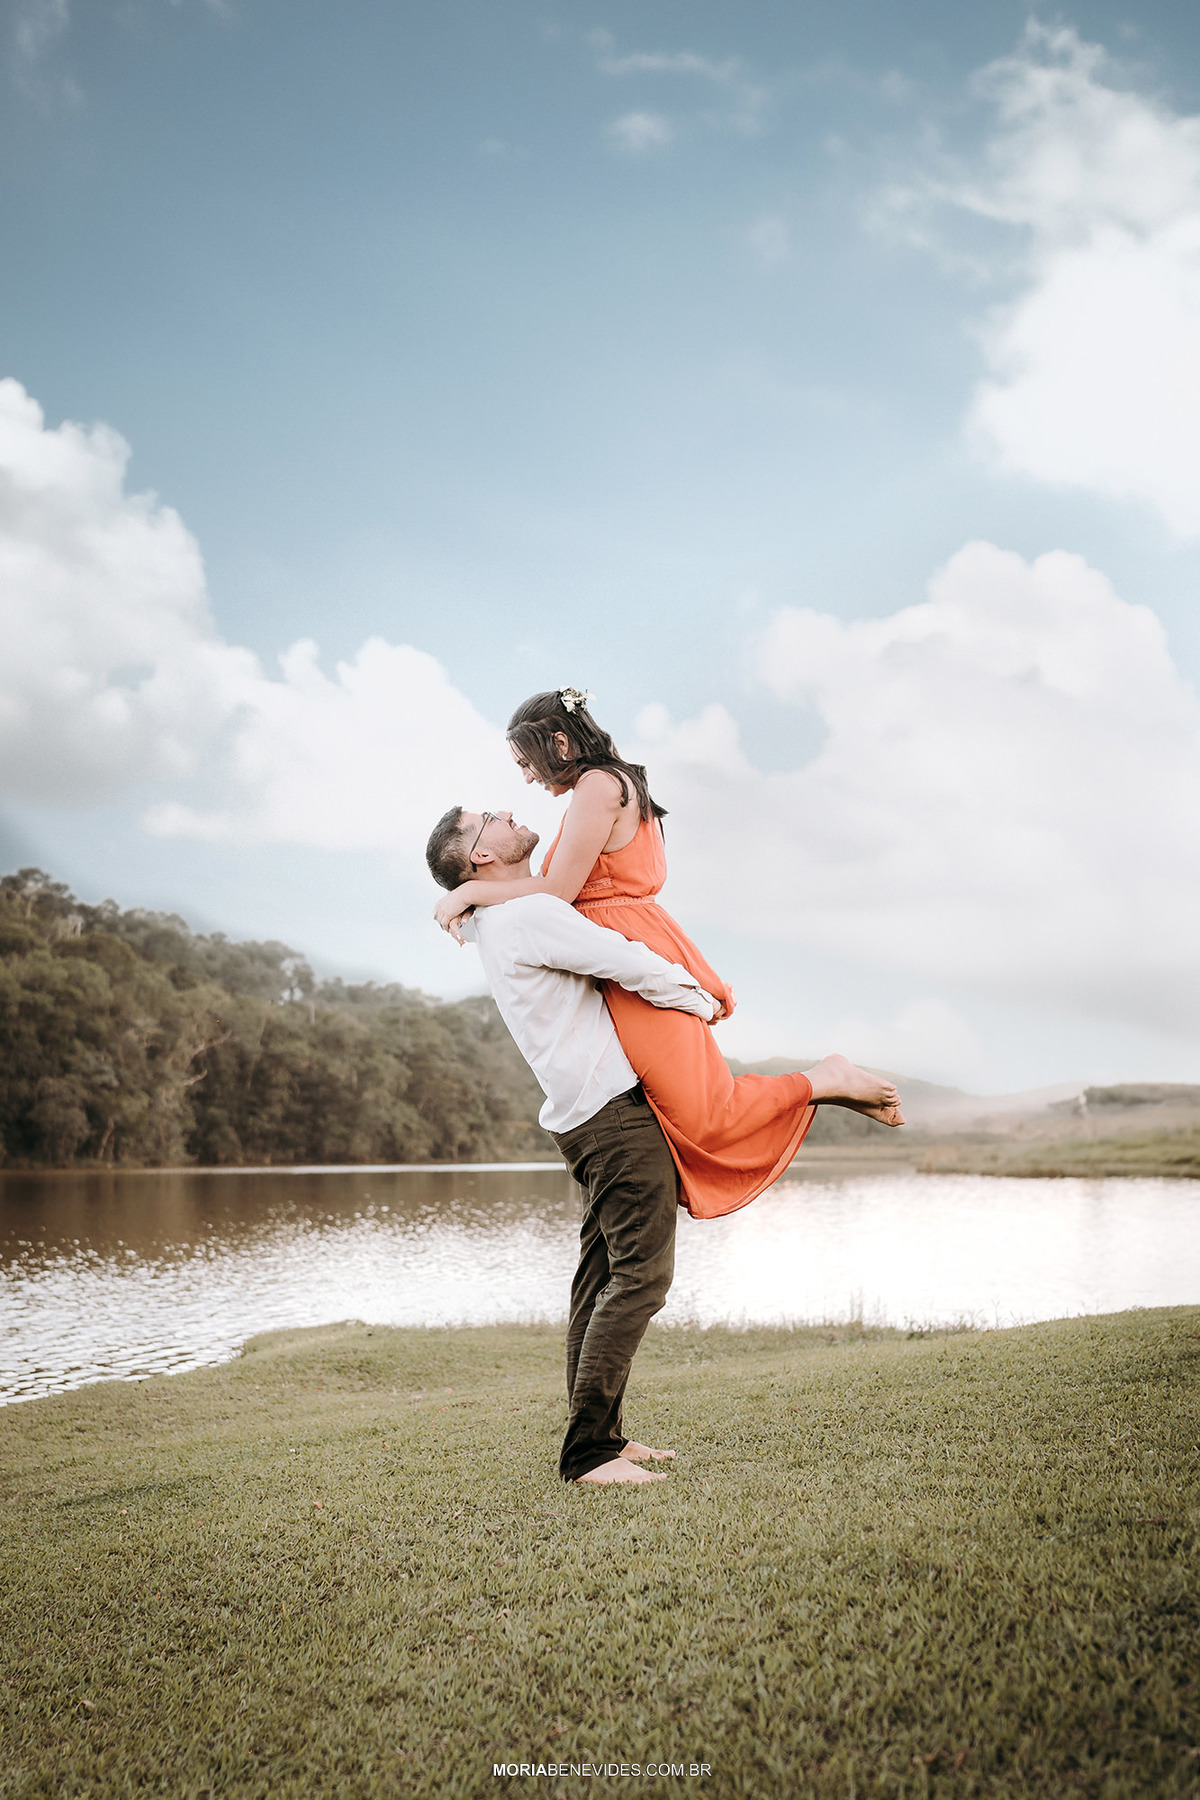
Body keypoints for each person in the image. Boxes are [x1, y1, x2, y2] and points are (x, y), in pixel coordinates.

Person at [433, 690, 903, 1219]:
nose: (526, 778)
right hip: (618, 952)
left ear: (560, 742)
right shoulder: (598, 787)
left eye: (526, 763)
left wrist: (470, 892)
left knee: (705, 1114)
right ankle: (822, 1083)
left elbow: (558, 890)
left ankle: (826, 1079)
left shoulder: (599, 786)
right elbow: (549, 892)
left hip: (630, 951)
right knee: (690, 1111)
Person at [425, 805, 719, 1486]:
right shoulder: (526, 915)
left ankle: (606, 1438)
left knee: (599, 1279)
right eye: (484, 821)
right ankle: (587, 1453)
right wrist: (700, 999)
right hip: (612, 1117)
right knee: (642, 1277)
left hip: (586, 1119)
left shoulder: (503, 913)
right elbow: (623, 962)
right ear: (480, 860)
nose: (504, 811)